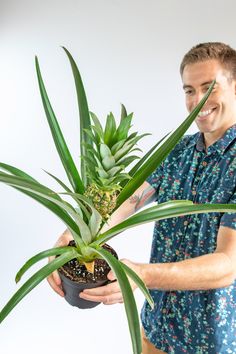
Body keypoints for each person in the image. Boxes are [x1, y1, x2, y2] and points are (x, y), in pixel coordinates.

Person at [47, 42, 236, 354]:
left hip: (213, 341)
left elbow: (228, 264)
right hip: (156, 330)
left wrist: (139, 274)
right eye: (188, 90)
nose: (197, 100)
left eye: (209, 87)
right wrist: (71, 236)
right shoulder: (179, 150)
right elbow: (127, 201)